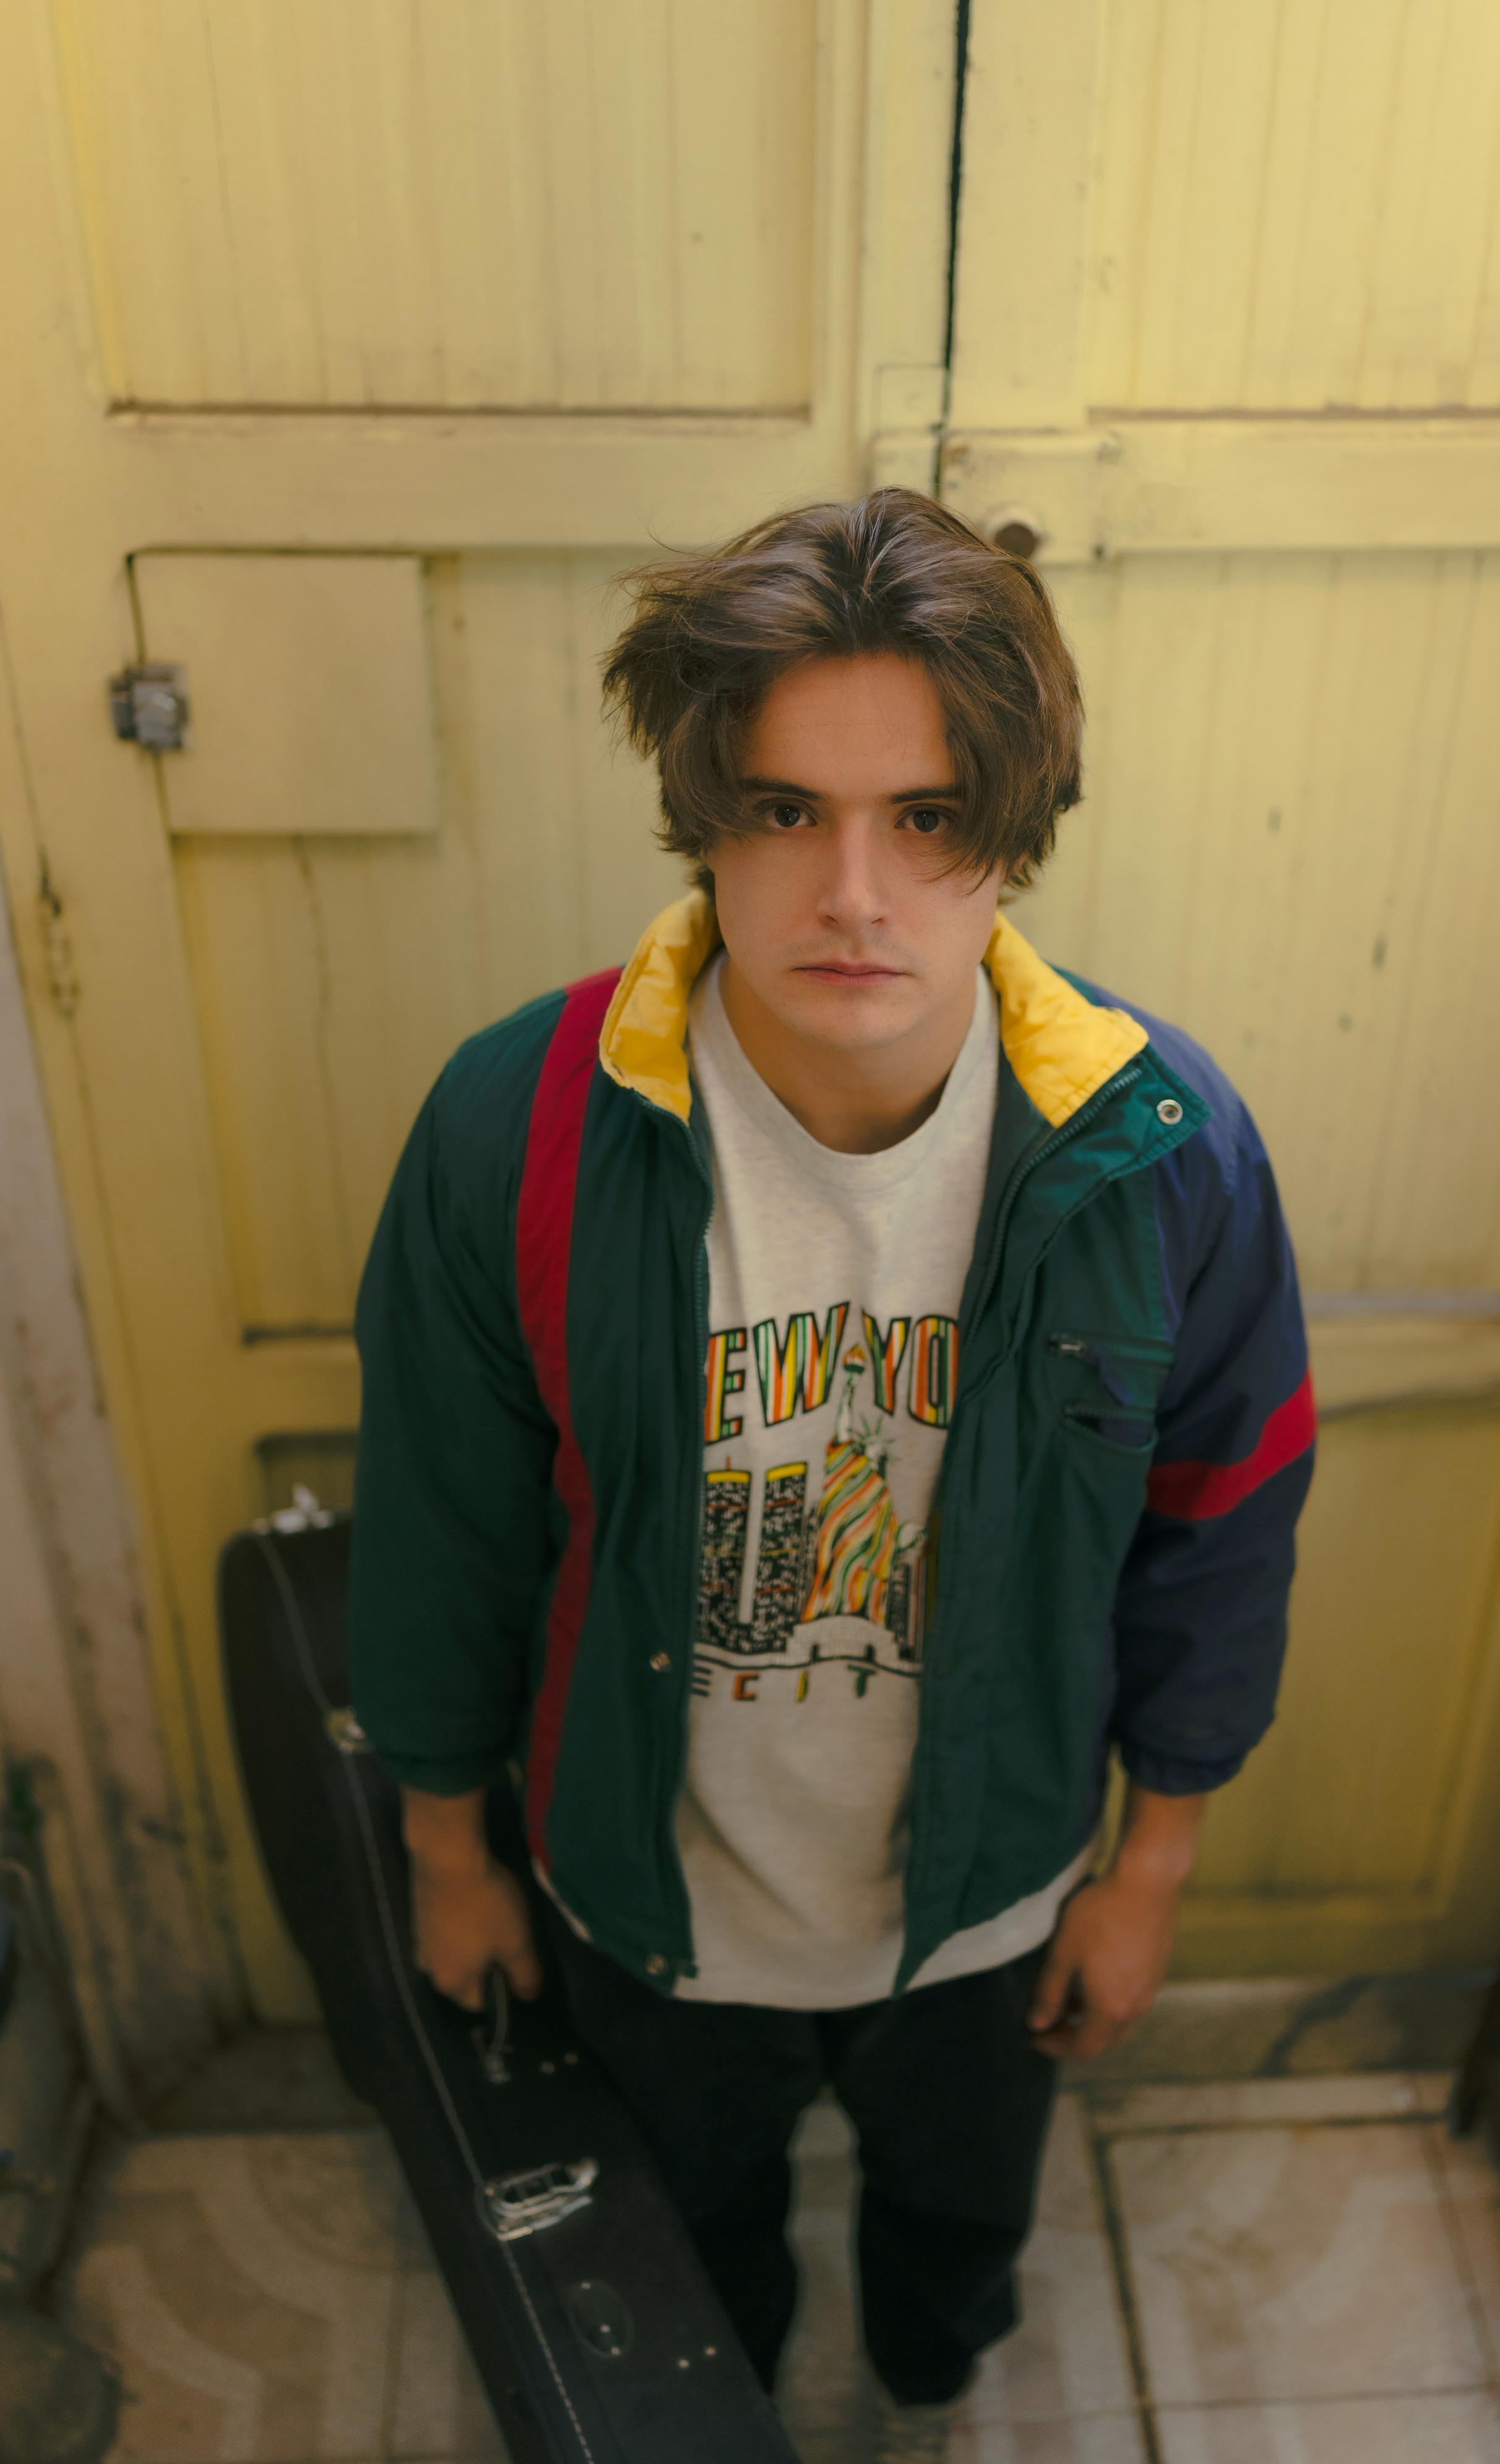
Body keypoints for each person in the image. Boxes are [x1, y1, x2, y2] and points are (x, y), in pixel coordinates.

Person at [349, 489, 1314, 2463]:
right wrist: (450, 1854)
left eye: (927, 817)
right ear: (702, 815)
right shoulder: (520, 1126)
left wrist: (1151, 1867)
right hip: (646, 1895)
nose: (853, 892)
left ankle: (926, 2400)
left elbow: (1220, 1530)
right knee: (696, 2256)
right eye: (787, 810)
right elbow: (442, 1532)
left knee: (953, 2242)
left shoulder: (1159, 1152)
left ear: (1014, 836)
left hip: (990, 1899)